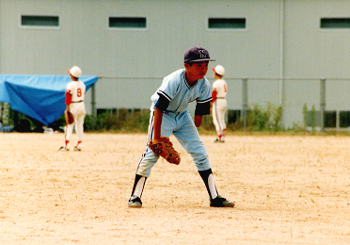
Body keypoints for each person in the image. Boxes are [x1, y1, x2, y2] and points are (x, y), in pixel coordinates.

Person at [128, 46, 234, 208]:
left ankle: (215, 197)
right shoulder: (174, 80)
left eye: (205, 65)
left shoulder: (204, 85)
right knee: (151, 154)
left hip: (183, 116)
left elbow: (198, 119)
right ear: (187, 66)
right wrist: (157, 137)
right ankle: (135, 196)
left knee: (200, 152)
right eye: (199, 65)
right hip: (163, 115)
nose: (203, 69)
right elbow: (159, 108)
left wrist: (191, 138)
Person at [59, 66, 86, 151]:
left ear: (72, 75)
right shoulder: (82, 84)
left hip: (73, 105)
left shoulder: (70, 85)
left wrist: (67, 109)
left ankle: (66, 145)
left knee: (69, 125)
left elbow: (68, 97)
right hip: (81, 104)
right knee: (80, 125)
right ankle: (79, 145)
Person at [211, 65, 227, 143]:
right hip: (223, 100)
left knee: (217, 120)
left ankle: (220, 137)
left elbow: (214, 94)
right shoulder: (223, 82)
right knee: (221, 120)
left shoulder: (216, 83)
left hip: (218, 101)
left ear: (217, 73)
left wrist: (211, 103)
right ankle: (222, 137)